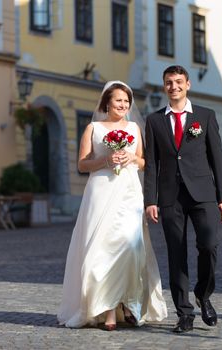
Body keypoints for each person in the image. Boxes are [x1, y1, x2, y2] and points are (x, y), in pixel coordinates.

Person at [57, 81, 167, 331]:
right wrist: (106, 160)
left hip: (128, 193)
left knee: (130, 247)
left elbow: (144, 162)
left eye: (127, 101)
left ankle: (127, 303)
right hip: (100, 192)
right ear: (107, 102)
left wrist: (131, 158)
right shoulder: (93, 128)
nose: (124, 105)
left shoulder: (134, 128)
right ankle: (106, 310)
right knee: (100, 249)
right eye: (119, 100)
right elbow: (82, 164)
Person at [144, 65, 222, 333]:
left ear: (188, 84)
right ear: (164, 87)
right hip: (171, 197)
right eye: (169, 82)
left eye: (179, 82)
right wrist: (151, 200)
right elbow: (152, 165)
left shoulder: (204, 116)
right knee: (176, 253)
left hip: (203, 194)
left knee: (209, 245)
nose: (174, 87)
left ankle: (203, 295)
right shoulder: (155, 120)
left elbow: (217, 158)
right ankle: (184, 313)